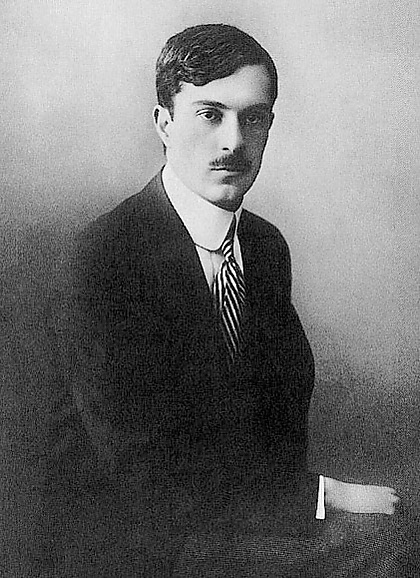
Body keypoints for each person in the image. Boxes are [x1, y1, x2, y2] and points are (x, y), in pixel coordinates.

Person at [50, 23, 412, 577]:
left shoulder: (265, 247)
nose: (233, 142)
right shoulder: (106, 256)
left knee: (399, 529)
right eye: (209, 114)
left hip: (248, 526)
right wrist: (322, 496)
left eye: (254, 118)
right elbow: (144, 469)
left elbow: (277, 428)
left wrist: (304, 505)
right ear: (164, 123)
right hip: (139, 546)